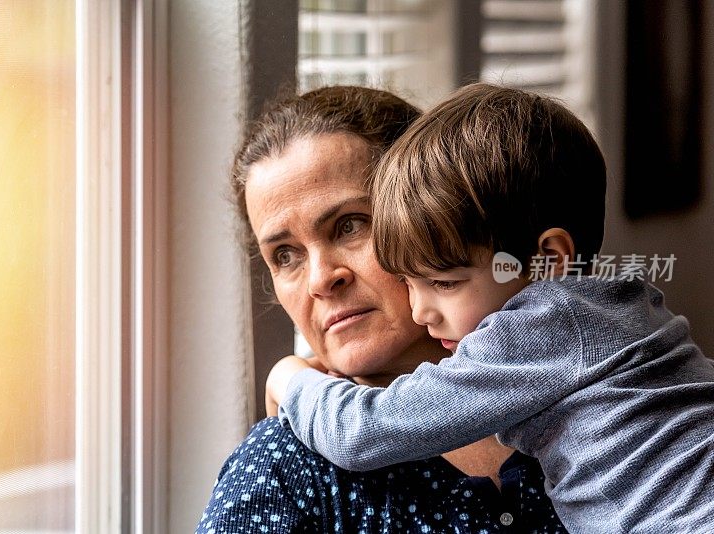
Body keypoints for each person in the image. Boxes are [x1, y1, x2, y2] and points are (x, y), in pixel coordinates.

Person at [267, 83, 714, 533]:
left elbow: (362, 433)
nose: (422, 310)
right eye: (408, 282)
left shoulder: (538, 331)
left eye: (445, 282)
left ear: (549, 260)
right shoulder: (627, 304)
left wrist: (289, 379)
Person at [196, 86, 567, 533]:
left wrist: (287, 379)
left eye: (350, 225)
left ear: (431, 214)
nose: (320, 279)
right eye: (285, 255)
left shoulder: (589, 394)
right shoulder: (284, 466)